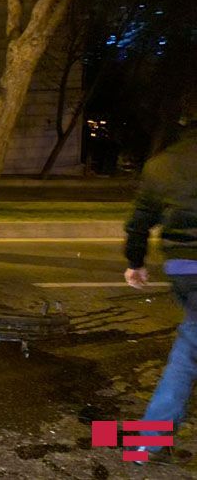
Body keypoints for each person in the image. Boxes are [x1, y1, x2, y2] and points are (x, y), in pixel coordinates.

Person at [124, 104, 197, 462]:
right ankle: (147, 441)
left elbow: (139, 222)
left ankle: (146, 443)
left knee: (189, 348)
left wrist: (135, 263)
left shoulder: (162, 164)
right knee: (189, 348)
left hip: (182, 267)